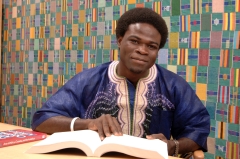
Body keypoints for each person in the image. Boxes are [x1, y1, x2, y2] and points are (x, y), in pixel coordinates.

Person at [32, 8, 210, 156]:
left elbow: (198, 128)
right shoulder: (89, 80)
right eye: (134, 41)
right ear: (120, 41)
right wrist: (88, 124)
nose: (142, 50)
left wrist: (173, 146)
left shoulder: (174, 85)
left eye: (151, 46)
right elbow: (43, 119)